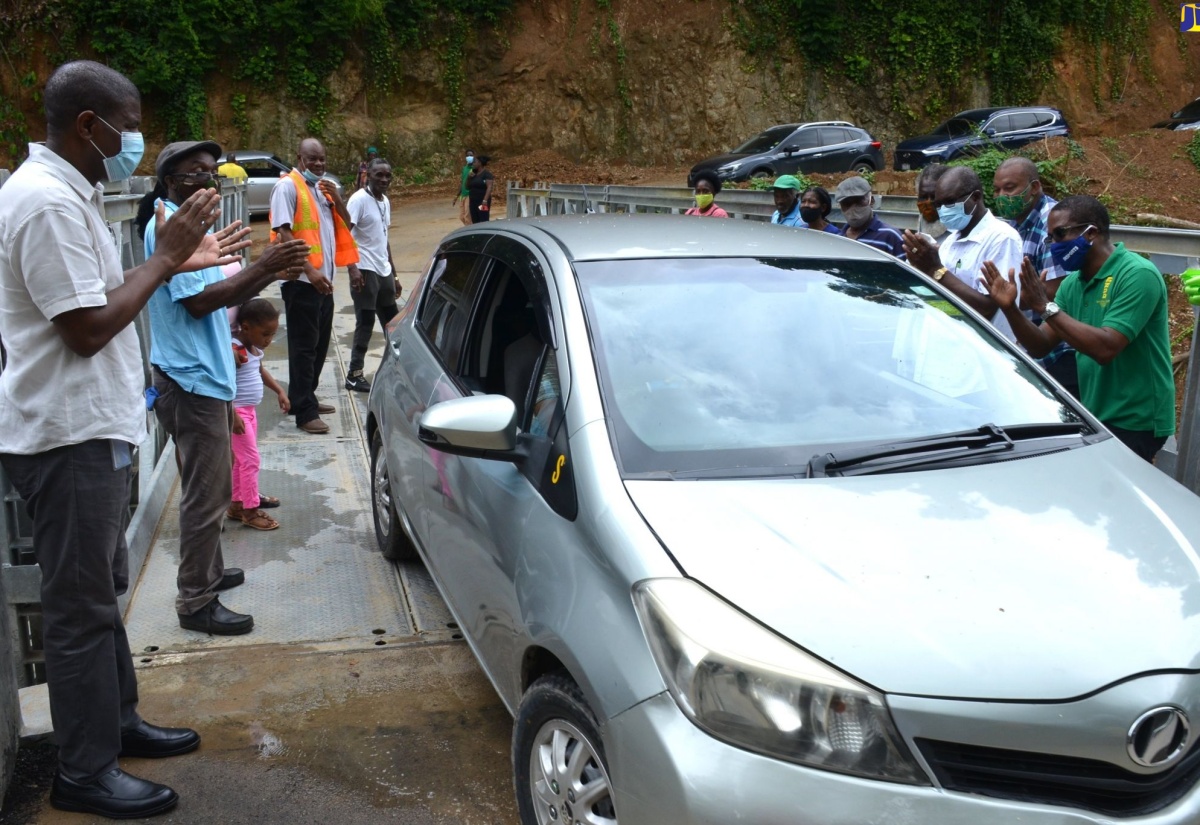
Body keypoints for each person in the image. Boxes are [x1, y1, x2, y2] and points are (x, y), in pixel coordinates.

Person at [0, 59, 251, 819]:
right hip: (66, 439)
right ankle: (85, 769)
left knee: (101, 596)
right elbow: (85, 328)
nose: (135, 137)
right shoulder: (44, 204)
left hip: (94, 431)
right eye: (129, 122)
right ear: (89, 125)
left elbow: (102, 298)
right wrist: (168, 257)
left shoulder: (69, 194)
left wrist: (167, 259)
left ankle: (116, 721)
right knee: (78, 609)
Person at [140, 141, 309, 635]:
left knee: (210, 487)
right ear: (169, 181)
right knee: (205, 495)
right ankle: (195, 601)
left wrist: (257, 274)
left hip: (205, 379)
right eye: (193, 173)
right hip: (190, 383)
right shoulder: (169, 227)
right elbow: (198, 304)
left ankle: (209, 572)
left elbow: (218, 299)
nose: (206, 181)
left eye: (211, 173)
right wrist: (265, 269)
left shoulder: (190, 227)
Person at [983, 196, 1174, 460]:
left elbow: (1106, 348)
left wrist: (1045, 307)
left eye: (1060, 235)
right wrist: (1010, 308)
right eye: (1050, 238)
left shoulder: (1137, 274)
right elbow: (1040, 345)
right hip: (1095, 413)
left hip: (1136, 420)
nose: (1054, 246)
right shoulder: (1073, 283)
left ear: (1091, 233)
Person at [270, 138, 361, 434]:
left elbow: (347, 223)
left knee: (320, 345)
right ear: (299, 158)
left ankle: (304, 397)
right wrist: (310, 271)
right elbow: (283, 231)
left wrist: (338, 198)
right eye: (312, 159)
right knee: (304, 348)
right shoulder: (287, 186)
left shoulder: (323, 189)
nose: (319, 164)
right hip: (302, 282)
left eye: (322, 159)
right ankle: (304, 413)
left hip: (324, 282)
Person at [902, 166, 1024, 342]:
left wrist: (935, 269)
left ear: (975, 197)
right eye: (939, 205)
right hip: (954, 348)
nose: (943, 210)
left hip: (987, 352)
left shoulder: (1002, 238)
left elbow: (987, 309)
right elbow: (950, 306)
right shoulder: (950, 243)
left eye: (950, 202)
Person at [992, 156, 1077, 397]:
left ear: (1035, 188)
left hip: (1057, 352)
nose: (1001, 196)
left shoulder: (1052, 223)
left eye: (1010, 188)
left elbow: (1057, 291)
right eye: (997, 190)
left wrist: (1016, 297)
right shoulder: (1011, 225)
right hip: (1027, 347)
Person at [228, 298, 289, 529]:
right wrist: (232, 414)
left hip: (250, 412)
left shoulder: (253, 348)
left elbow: (260, 370)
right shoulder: (235, 350)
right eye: (265, 334)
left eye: (272, 334)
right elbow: (225, 383)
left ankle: (236, 503)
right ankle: (251, 511)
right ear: (245, 327)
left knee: (241, 462)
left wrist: (279, 390)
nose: (269, 340)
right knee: (251, 460)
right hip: (238, 414)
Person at [345, 157, 400, 392]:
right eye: (379, 174)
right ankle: (354, 374)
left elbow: (383, 239)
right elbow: (344, 235)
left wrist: (394, 275)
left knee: (392, 322)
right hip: (364, 268)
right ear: (368, 175)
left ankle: (397, 368)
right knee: (366, 322)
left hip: (382, 268)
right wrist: (352, 268)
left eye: (388, 175)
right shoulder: (358, 200)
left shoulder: (385, 201)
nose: (384, 179)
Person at [835, 176, 906, 258]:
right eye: (846, 203)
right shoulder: (838, 238)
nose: (853, 208)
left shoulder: (891, 236)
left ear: (871, 201)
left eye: (858, 201)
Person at [915, 163, 949, 241]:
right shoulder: (921, 220)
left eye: (934, 197)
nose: (928, 202)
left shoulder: (958, 230)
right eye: (924, 197)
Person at [468, 154, 495, 223]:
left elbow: (489, 187)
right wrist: (469, 177)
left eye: (475, 162)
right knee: (475, 220)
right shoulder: (473, 173)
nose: (473, 164)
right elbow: (467, 186)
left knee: (483, 218)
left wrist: (485, 200)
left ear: (480, 163)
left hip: (482, 202)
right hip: (473, 201)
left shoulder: (487, 174)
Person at [453, 148, 474, 226]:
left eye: (471, 155)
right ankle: (470, 229)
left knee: (467, 216)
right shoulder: (464, 169)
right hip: (463, 195)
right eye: (468, 155)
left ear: (474, 156)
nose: (469, 157)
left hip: (470, 194)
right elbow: (462, 182)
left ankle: (471, 232)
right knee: (461, 217)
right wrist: (456, 196)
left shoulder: (474, 169)